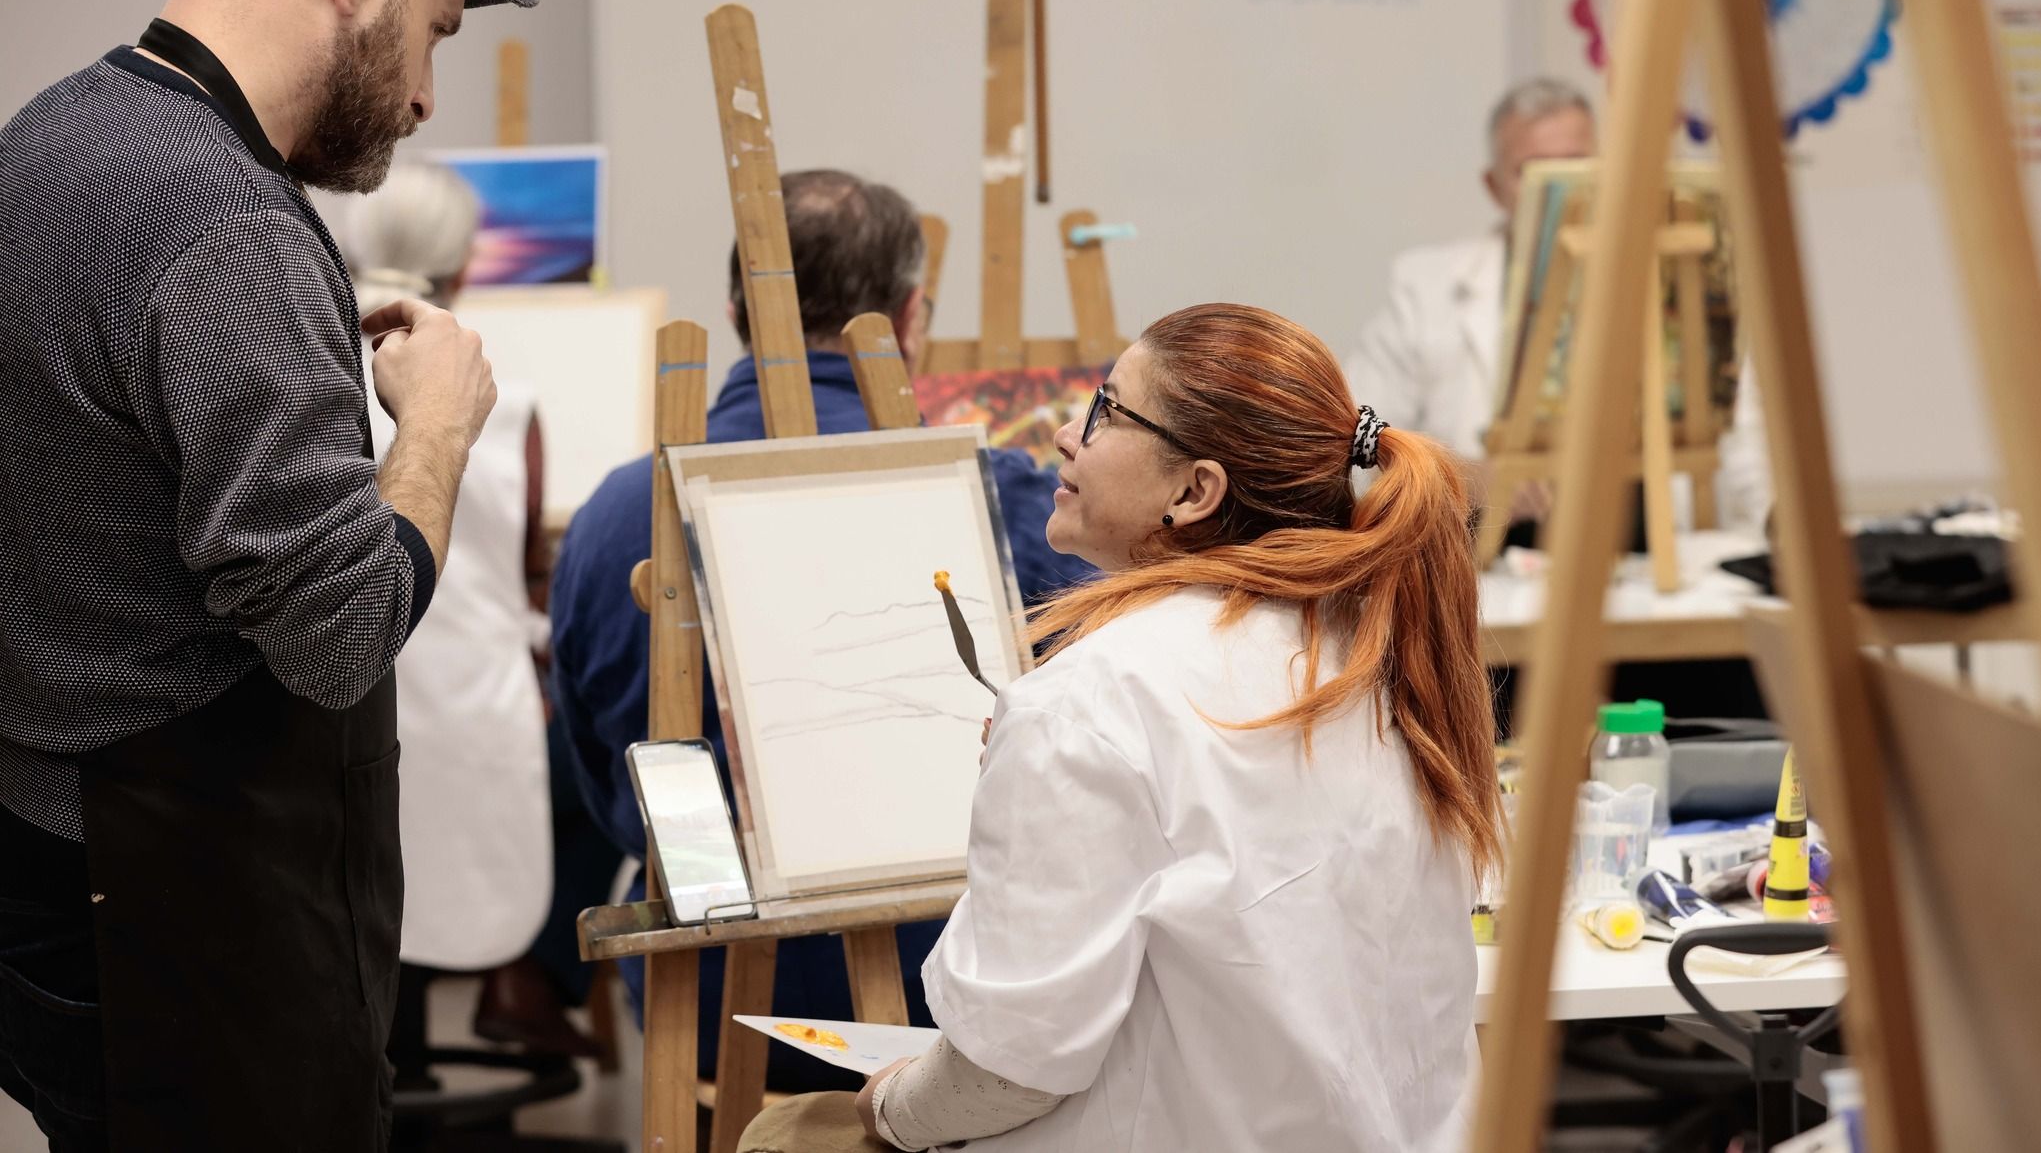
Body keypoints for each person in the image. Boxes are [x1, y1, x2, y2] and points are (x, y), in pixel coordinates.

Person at [0, 0, 532, 1149]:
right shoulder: (226, 221)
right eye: (436, 33)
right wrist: (436, 429)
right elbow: (339, 632)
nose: (425, 95)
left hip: (57, 863)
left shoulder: (42, 144)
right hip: (187, 915)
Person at [738, 303, 1502, 1152]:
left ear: (1194, 491)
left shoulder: (1090, 702)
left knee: (784, 1134)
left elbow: (1005, 1072)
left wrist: (889, 1107)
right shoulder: (1381, 653)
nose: (1068, 435)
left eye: (1106, 410)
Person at [550, 168, 1093, 1091]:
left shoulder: (612, 517)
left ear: (734, 311)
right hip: (954, 999)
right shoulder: (1007, 503)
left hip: (709, 1005)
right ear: (910, 316)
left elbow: (607, 784)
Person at [340, 165, 585, 1064]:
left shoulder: (308, 369)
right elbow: (527, 577)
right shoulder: (506, 401)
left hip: (337, 699)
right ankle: (526, 988)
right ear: (466, 266)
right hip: (480, 710)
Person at [1343, 77, 1767, 537]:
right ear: (1494, 187)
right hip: (1489, 555)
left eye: (1577, 169)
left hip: (1648, 548)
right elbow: (1350, 449)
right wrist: (1461, 477)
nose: (1560, 196)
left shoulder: (1675, 280)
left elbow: (1746, 452)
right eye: (1533, 174)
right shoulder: (1426, 289)